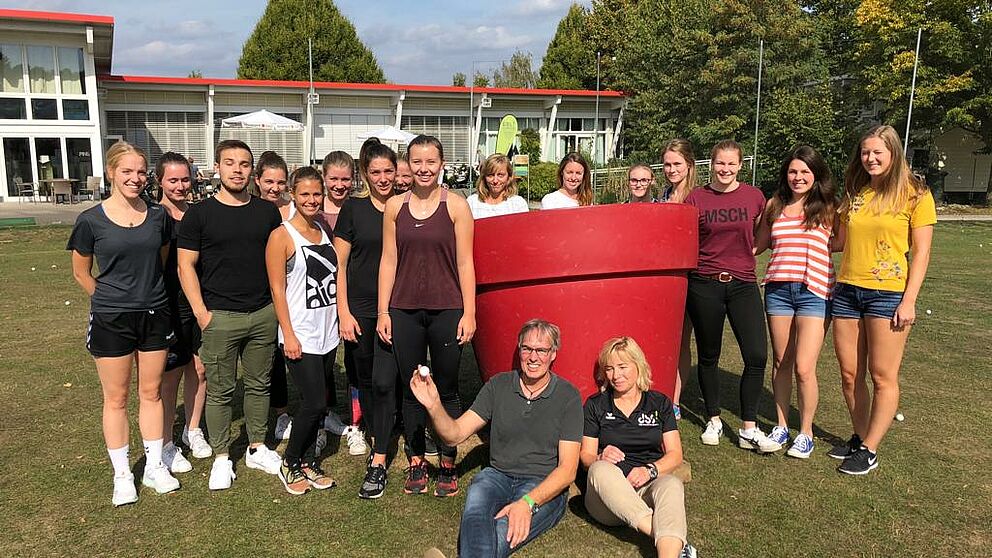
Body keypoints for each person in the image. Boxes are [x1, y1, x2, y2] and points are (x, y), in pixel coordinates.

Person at [67, 140, 180, 506]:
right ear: (111, 172)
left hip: (155, 313)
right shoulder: (90, 220)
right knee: (116, 398)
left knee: (151, 393)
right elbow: (81, 273)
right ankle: (122, 475)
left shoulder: (158, 216)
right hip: (111, 318)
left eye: (141, 172)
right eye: (127, 171)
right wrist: (109, 300)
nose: (135, 178)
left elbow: (161, 258)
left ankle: (154, 467)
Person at [412, 319, 582, 558]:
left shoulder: (568, 396)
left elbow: (567, 471)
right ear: (519, 350)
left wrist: (527, 503)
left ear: (553, 354)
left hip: (541, 483)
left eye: (541, 350)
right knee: (476, 518)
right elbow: (454, 435)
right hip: (496, 477)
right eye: (527, 348)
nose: (533, 357)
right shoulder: (498, 385)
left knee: (504, 530)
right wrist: (434, 405)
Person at [177, 139, 284, 490]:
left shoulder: (267, 212)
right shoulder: (199, 214)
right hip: (219, 316)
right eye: (230, 163)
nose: (237, 170)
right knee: (221, 390)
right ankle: (222, 456)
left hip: (262, 314)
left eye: (244, 164)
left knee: (259, 384)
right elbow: (185, 266)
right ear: (217, 167)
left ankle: (257, 446)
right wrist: (202, 314)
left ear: (252, 170)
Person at [829, 125, 935, 475]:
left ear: (893, 153)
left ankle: (870, 450)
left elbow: (921, 253)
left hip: (888, 295)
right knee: (849, 375)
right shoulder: (856, 194)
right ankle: (860, 437)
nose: (870, 158)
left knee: (882, 375)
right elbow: (838, 242)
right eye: (865, 152)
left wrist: (909, 300)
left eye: (877, 152)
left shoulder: (915, 195)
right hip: (847, 292)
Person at [377, 135, 476, 497]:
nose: (423, 169)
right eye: (417, 162)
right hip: (404, 310)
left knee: (446, 387)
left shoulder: (457, 206)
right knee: (412, 387)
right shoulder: (394, 207)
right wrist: (383, 310)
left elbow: (465, 263)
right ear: (408, 164)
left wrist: (469, 312)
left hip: (447, 308)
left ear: (441, 164)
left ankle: (448, 460)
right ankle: (417, 459)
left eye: (430, 162)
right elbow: (389, 261)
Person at [684, 140, 779, 452]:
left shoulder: (754, 197)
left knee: (756, 355)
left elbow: (763, 234)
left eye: (731, 164)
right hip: (705, 284)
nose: (725, 169)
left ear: (740, 165)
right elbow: (686, 239)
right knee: (709, 354)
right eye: (720, 163)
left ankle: (749, 427)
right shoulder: (696, 198)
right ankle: (713, 419)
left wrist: (747, 254)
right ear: (712, 164)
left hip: (743, 283)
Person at [753, 146, 837, 459]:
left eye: (804, 171)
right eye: (793, 171)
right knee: (781, 361)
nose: (798, 177)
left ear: (816, 175)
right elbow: (759, 244)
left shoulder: (829, 207)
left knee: (804, 367)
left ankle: (806, 432)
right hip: (778, 290)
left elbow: (841, 243)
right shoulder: (774, 205)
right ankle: (781, 426)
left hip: (814, 291)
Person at [581, 337, 694, 558]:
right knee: (599, 469)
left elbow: (675, 455)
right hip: (607, 501)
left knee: (672, 483)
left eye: (622, 367)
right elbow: (586, 456)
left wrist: (650, 470)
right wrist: (599, 457)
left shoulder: (659, 403)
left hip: (646, 489)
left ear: (638, 365)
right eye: (610, 369)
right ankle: (668, 536)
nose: (616, 375)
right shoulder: (596, 405)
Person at [266, 166, 340, 495]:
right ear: (293, 195)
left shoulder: (322, 230)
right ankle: (290, 461)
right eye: (305, 194)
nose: (311, 200)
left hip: (327, 332)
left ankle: (309, 462)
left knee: (320, 402)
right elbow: (277, 290)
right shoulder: (281, 236)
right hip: (300, 334)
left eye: (316, 194)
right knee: (313, 402)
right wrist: (289, 334)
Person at [335, 138, 400, 498]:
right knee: (366, 378)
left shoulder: (405, 205)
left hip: (396, 307)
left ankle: (389, 433)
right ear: (365, 173)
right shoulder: (353, 209)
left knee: (390, 377)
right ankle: (375, 430)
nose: (383, 178)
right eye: (376, 172)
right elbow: (340, 265)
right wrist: (343, 311)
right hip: (359, 309)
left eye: (388, 170)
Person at [156, 152, 210, 473]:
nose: (180, 186)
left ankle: (193, 429)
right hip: (168, 307)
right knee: (169, 377)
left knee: (200, 370)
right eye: (173, 180)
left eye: (185, 179)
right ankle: (165, 442)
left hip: (198, 304)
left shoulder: (198, 215)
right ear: (159, 181)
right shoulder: (154, 217)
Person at [253, 151, 295, 442]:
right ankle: (280, 413)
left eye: (280, 182)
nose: (275, 188)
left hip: (294, 294)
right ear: (257, 180)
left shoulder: (294, 209)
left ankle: (314, 409)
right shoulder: (250, 208)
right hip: (262, 293)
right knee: (272, 357)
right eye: (269, 181)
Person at [660, 139, 700, 420]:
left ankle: (674, 398)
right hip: (665, 277)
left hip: (690, 277)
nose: (672, 169)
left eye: (677, 164)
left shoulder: (697, 197)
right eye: (667, 164)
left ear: (689, 165)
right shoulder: (664, 194)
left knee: (681, 340)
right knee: (666, 339)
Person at [467, 154, 529, 218]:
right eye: (490, 175)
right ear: (484, 177)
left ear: (509, 177)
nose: (495, 181)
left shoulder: (518, 204)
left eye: (500, 175)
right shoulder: (472, 203)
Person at [320, 151, 354, 232]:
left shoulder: (359, 209)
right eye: (333, 179)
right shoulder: (314, 209)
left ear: (353, 178)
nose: (339, 186)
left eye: (345, 179)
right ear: (324, 177)